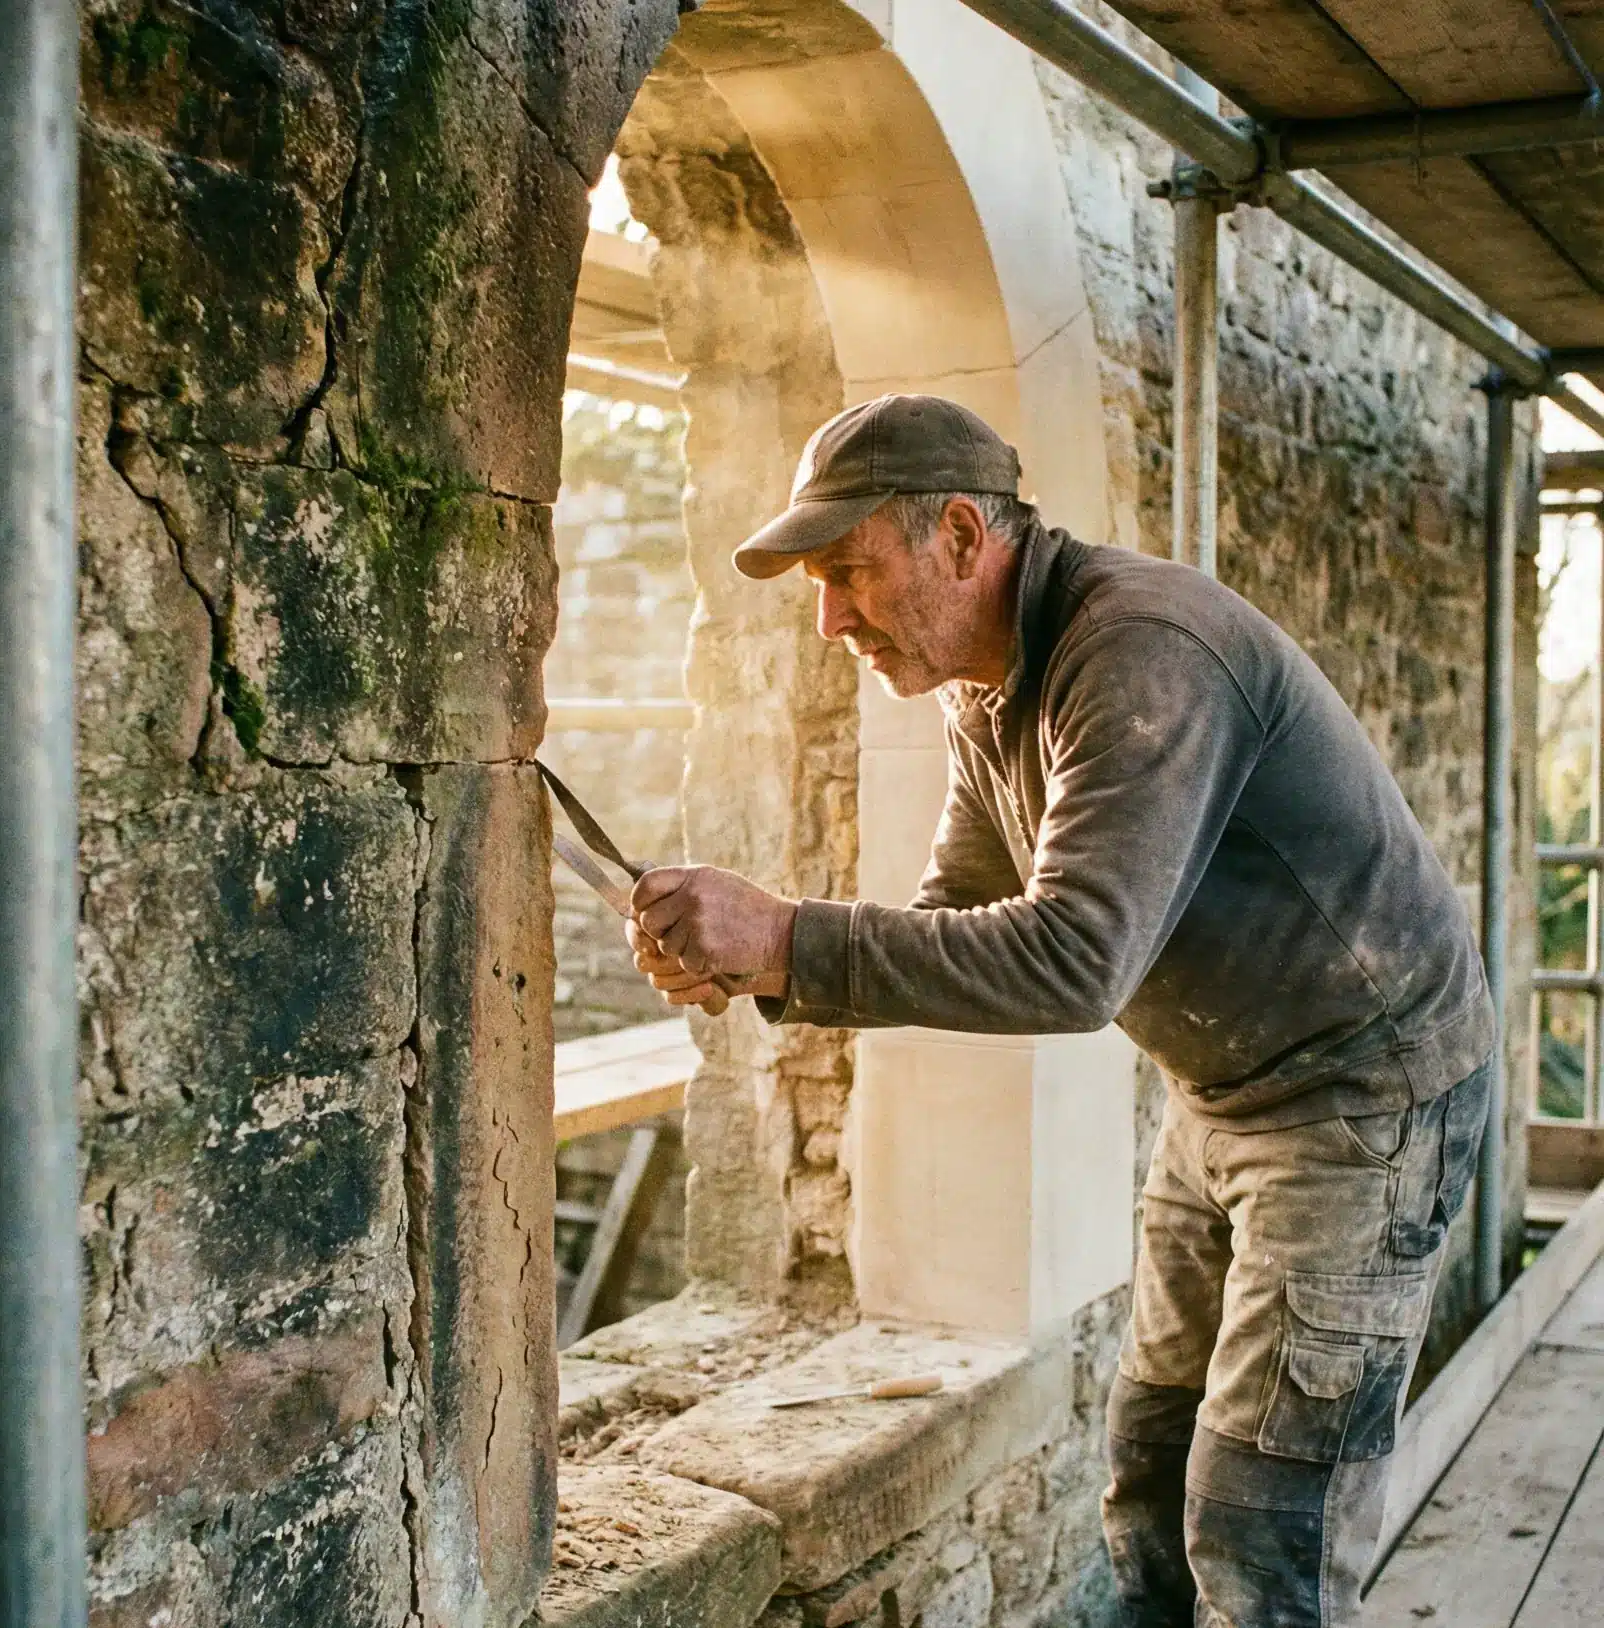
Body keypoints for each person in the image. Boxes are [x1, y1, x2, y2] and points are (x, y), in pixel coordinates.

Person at [624, 394, 1494, 1627]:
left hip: (1366, 1096)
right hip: (1225, 1089)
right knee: (1149, 1461)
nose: (829, 619)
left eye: (849, 572)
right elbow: (958, 910)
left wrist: (785, 934)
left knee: (1260, 1529)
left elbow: (1072, 960)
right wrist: (760, 964)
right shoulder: (983, 683)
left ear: (965, 536)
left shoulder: (1141, 651)